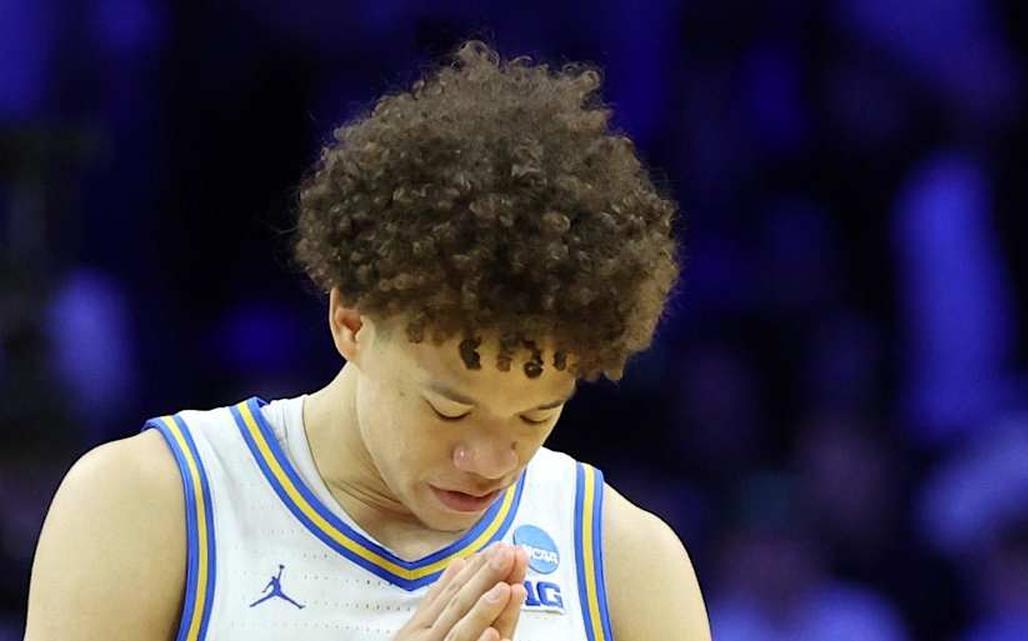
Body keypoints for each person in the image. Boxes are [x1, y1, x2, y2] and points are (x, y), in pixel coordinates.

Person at [23, 40, 711, 641]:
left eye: (536, 415)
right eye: (449, 409)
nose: (490, 460)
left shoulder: (625, 560)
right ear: (350, 320)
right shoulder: (150, 503)